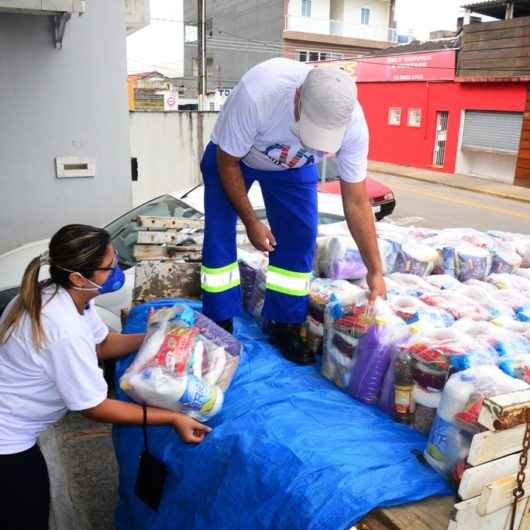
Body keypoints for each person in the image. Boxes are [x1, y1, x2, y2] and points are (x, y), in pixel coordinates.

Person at [0, 224, 212, 530]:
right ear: (77, 276)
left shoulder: (64, 296)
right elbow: (94, 406)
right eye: (109, 266)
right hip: (8, 442)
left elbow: (101, 344)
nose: (116, 270)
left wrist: (159, 336)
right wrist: (172, 418)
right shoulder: (62, 327)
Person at [200, 57, 386, 364]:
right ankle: (219, 323)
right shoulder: (259, 93)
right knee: (220, 235)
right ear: (298, 98)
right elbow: (227, 162)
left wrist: (375, 270)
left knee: (300, 239)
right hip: (234, 159)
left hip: (293, 168)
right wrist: (251, 221)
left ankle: (285, 324)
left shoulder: (353, 122)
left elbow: (356, 200)